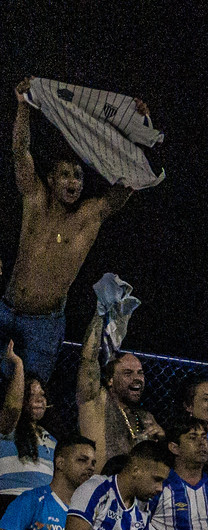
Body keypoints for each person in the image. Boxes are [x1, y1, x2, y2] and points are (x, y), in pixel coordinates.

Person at [5, 81, 137, 382]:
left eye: (78, 176)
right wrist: (23, 106)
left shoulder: (89, 215)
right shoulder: (35, 198)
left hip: (44, 324)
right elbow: (19, 150)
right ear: (51, 179)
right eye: (65, 175)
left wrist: (133, 127)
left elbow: (128, 184)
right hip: (6, 310)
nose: (73, 182)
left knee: (33, 392)